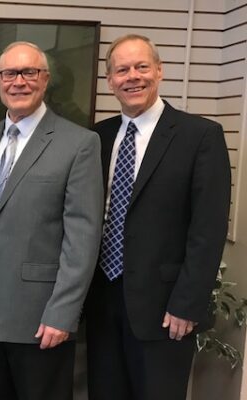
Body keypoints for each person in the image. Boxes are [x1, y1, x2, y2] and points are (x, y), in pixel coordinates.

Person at [84, 34, 231, 400]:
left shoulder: (200, 136)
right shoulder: (96, 138)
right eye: (122, 70)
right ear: (110, 81)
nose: (132, 76)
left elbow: (208, 229)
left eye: (141, 67)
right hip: (102, 302)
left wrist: (188, 303)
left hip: (166, 309)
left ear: (160, 71)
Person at [0, 41, 103, 400]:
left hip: (41, 318)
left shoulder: (79, 143)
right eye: (9, 73)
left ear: (46, 79)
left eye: (29, 72)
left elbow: (82, 238)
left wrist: (63, 312)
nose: (18, 81)